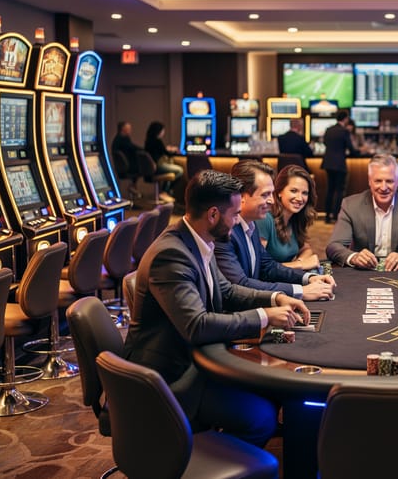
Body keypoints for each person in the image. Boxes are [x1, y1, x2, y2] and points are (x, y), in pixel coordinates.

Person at [123, 169, 310, 448]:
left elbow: (227, 291)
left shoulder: (199, 238)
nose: (237, 222)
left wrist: (275, 299)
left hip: (197, 361)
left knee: (273, 390)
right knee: (261, 419)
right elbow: (196, 326)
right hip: (173, 378)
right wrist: (264, 317)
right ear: (212, 215)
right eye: (234, 215)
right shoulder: (172, 254)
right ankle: (200, 458)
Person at [215, 160, 336, 301]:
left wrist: (309, 278)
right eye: (265, 195)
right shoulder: (224, 232)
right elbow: (241, 285)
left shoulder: (250, 225)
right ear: (241, 196)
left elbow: (268, 267)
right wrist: (300, 291)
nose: (272, 201)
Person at [326, 153, 398, 270]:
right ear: (369, 181)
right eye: (378, 181)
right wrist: (354, 257)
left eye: (389, 181)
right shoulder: (350, 205)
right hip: (363, 274)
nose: (383, 187)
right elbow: (334, 246)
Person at [256, 164, 322, 270]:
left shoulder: (295, 218)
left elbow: (306, 249)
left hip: (285, 279)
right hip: (267, 284)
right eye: (294, 191)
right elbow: (259, 267)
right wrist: (300, 265)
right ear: (279, 192)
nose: (300, 198)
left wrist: (300, 261)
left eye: (305, 193)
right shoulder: (265, 219)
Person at [321, 111, 358, 223]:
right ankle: (336, 216)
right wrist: (358, 152)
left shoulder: (329, 129)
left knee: (330, 190)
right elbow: (351, 149)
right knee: (339, 191)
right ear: (346, 119)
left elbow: (325, 143)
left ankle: (327, 215)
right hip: (339, 164)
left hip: (328, 162)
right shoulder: (344, 132)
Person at [144, 121, 184, 201]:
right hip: (157, 166)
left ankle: (164, 192)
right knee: (180, 170)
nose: (163, 132)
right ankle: (165, 191)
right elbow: (168, 154)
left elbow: (161, 151)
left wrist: (167, 149)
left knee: (170, 172)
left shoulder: (148, 141)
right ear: (159, 131)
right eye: (163, 130)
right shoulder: (157, 141)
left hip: (152, 167)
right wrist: (175, 150)